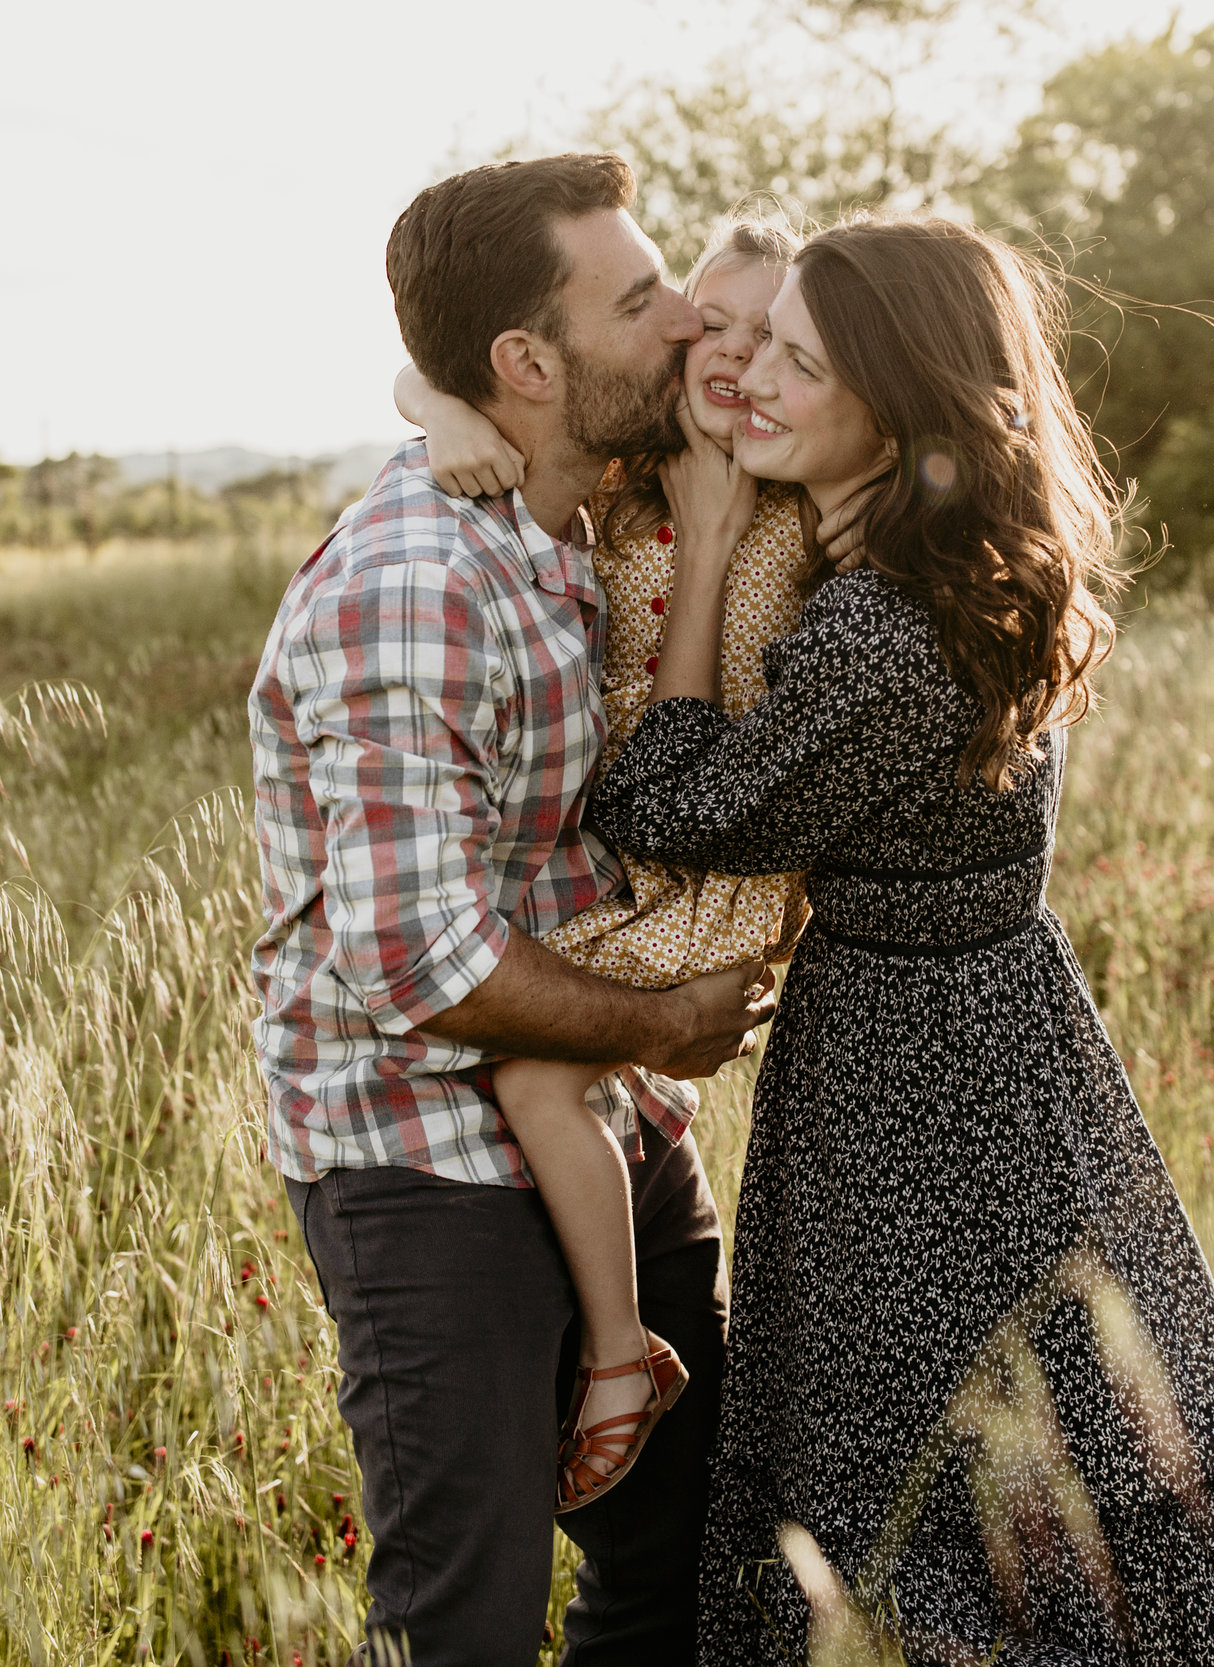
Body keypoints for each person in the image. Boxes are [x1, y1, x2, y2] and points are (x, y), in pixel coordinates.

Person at [586, 213, 1214, 1662]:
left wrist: (708, 558)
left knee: (916, 1487)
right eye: (764, 344)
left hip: (910, 1088)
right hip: (998, 1049)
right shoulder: (954, 568)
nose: (762, 380)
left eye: (803, 362)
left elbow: (670, 803)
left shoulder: (885, 630)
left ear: (899, 400)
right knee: (1072, 1463)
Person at [246, 153, 777, 1665]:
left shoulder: (586, 501)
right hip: (424, 1152)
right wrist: (663, 1022)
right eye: (641, 298)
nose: (684, 320)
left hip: (605, 1120)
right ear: (530, 366)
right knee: (463, 1620)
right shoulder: (416, 583)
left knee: (681, 1569)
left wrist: (440, 402)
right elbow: (419, 963)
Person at [391, 214, 847, 1514]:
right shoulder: (622, 484)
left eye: (777, 338)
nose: (740, 354)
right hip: (642, 864)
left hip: (720, 873)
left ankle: (616, 1357)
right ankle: (612, 1347)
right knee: (535, 1061)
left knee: (537, 1067)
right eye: (718, 316)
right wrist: (438, 408)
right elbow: (455, 374)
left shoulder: (801, 508)